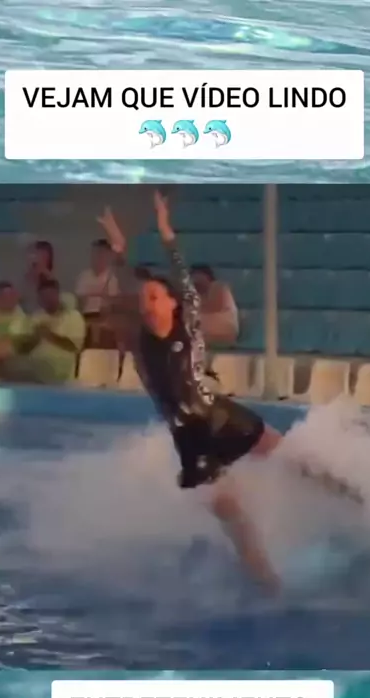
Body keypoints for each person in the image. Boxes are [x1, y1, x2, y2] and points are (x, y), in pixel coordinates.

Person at [97, 194, 283, 592]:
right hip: (191, 441)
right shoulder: (140, 343)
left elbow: (180, 272)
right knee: (233, 517)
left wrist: (166, 231)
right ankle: (271, 586)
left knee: (290, 455)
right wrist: (118, 252)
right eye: (142, 299)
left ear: (173, 303)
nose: (146, 303)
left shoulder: (191, 319)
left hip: (221, 416)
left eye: (154, 297)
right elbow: (123, 290)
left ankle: (353, 497)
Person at [75, 238, 120, 348]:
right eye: (95, 253)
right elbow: (80, 302)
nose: (97, 257)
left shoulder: (112, 279)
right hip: (86, 317)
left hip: (105, 318)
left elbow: (111, 305)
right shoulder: (84, 277)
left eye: (101, 253)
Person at [190, 264, 239, 346]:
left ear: (207, 277)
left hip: (224, 334)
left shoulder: (219, 287)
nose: (195, 280)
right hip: (201, 340)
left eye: (198, 275)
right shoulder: (192, 295)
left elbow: (214, 308)